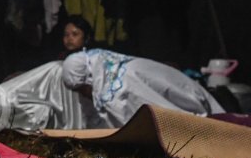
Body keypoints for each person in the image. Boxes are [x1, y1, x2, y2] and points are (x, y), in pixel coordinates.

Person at [62, 48, 223, 127]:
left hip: (196, 126)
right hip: (200, 100)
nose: (82, 96)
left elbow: (156, 125)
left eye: (80, 89)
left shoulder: (117, 93)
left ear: (88, 79)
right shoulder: (123, 64)